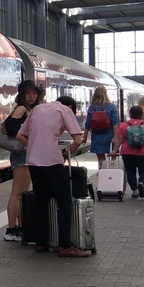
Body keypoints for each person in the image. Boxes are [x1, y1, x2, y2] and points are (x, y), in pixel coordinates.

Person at [16, 94, 89, 258]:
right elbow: (78, 140)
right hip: (52, 161)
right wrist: (65, 154)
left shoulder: (37, 109)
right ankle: (65, 246)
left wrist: (35, 146)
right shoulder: (65, 110)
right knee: (64, 200)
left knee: (40, 200)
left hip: (33, 162)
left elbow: (20, 136)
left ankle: (41, 243)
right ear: (70, 107)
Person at [2, 80, 42, 243]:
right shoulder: (22, 108)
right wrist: (27, 134)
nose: (31, 96)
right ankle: (11, 229)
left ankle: (20, 227)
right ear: (22, 95)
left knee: (23, 194)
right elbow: (11, 128)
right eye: (28, 93)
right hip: (21, 155)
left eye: (34, 93)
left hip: (26, 154)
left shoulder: (30, 109)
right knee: (17, 193)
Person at [114, 105, 144, 198]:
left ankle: (135, 191)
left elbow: (119, 139)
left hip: (127, 153)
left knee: (130, 172)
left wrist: (114, 150)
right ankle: (141, 183)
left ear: (130, 114)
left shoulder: (123, 125)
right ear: (141, 114)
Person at [84, 85, 119, 169]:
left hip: (97, 136)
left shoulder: (92, 107)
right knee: (112, 156)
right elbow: (115, 123)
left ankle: (102, 171)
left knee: (100, 159)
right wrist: (116, 136)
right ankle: (112, 172)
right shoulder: (111, 106)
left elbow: (88, 123)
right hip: (109, 135)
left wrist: (85, 136)